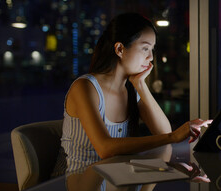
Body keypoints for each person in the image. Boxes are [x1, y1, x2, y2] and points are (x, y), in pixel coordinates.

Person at [52, 12, 211, 177]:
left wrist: (141, 85)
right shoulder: (85, 87)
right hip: (76, 183)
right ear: (120, 49)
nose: (150, 57)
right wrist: (174, 136)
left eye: (152, 50)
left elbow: (163, 133)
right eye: (145, 48)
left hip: (113, 181)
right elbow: (105, 148)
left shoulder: (130, 90)